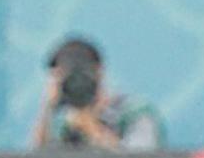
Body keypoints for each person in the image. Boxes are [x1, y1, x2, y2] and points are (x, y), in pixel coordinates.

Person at [32, 35, 163, 151]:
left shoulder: (135, 113)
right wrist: (47, 108)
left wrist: (91, 129)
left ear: (99, 72)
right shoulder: (65, 123)